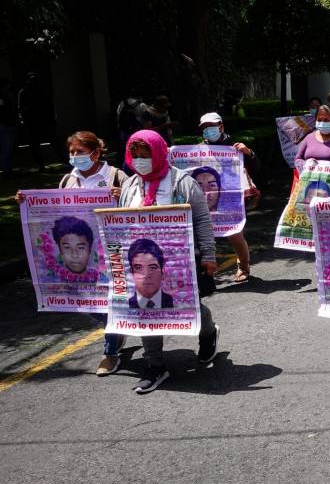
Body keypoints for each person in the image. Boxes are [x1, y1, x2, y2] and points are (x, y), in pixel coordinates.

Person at [17, 130, 128, 376]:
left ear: (96, 152)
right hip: (79, 255)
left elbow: (134, 206)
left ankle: (110, 354)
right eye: (71, 152)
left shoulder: (115, 176)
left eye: (80, 152)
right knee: (89, 302)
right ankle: (118, 328)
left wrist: (122, 198)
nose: (75, 156)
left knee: (108, 299)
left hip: (111, 250)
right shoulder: (68, 179)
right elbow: (56, 213)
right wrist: (25, 202)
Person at [118, 129, 220, 394]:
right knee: (144, 308)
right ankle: (155, 365)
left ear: (160, 152)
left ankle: (208, 332)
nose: (141, 160)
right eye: (136, 155)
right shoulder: (130, 185)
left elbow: (201, 219)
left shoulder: (182, 182)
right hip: (140, 262)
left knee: (188, 306)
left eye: (146, 154)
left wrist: (208, 255)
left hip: (179, 259)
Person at [199, 112, 260, 283]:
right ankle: (205, 272)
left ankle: (244, 267)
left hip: (231, 198)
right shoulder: (198, 149)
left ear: (221, 127)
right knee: (203, 235)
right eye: (204, 128)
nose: (208, 130)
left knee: (235, 234)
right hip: (206, 199)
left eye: (211, 126)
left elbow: (256, 168)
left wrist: (249, 153)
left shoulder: (234, 146)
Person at [127, 238, 175, 309]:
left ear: (162, 271)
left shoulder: (175, 303)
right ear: (132, 273)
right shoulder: (125, 304)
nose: (146, 275)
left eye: (152, 267)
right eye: (138, 268)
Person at [0, 78, 15, 177]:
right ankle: (6, 170)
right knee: (6, 148)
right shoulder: (2, 97)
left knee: (8, 148)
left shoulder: (5, 96)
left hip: (7, 124)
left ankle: (7, 169)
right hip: (4, 124)